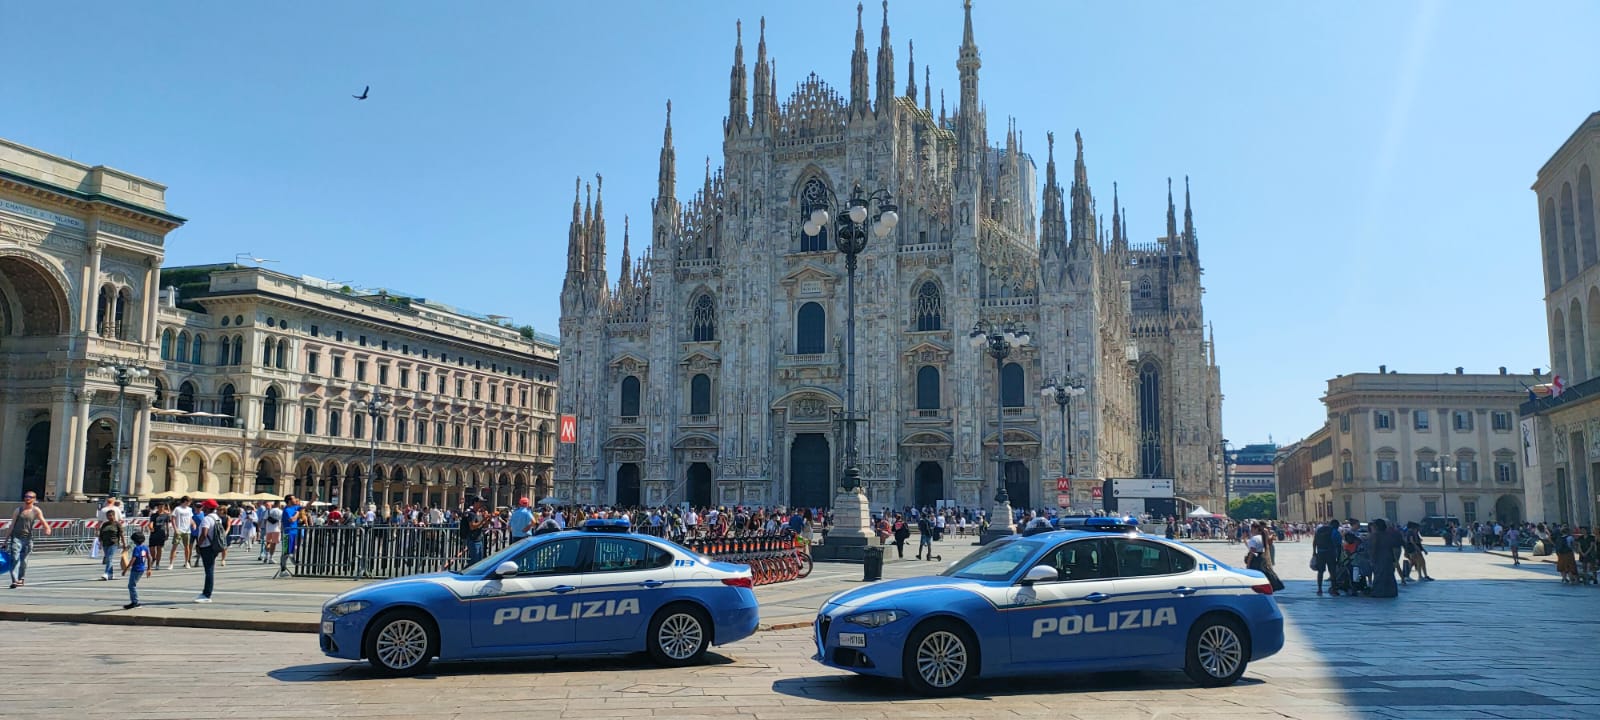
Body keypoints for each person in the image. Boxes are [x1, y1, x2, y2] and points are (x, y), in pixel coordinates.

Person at [7, 491, 50, 588]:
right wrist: (6, 540)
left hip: (27, 538)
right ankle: (14, 580)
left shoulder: (36, 510)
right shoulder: (18, 510)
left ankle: (21, 578)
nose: (27, 498)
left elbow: (43, 521)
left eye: (30, 497)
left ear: (34, 499)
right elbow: (12, 525)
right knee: (14, 558)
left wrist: (47, 528)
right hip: (16, 537)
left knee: (24, 560)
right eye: (26, 496)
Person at [194, 499, 224, 602]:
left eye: (204, 507)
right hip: (215, 546)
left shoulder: (207, 519)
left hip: (207, 546)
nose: (202, 508)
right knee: (210, 569)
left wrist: (198, 545)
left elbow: (204, 534)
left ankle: (206, 594)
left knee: (209, 571)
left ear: (207, 508)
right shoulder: (217, 518)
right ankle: (206, 593)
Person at [1312, 517, 1342, 595]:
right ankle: (1334, 590)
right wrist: (1338, 559)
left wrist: (1314, 552)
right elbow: (1339, 546)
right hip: (1330, 553)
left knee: (1320, 572)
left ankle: (1319, 589)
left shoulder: (1320, 529)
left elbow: (1314, 541)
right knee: (1332, 572)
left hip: (1320, 553)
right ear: (1337, 526)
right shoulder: (1335, 531)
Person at [124, 530, 151, 609]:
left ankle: (135, 602)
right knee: (132, 585)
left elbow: (133, 559)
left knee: (131, 586)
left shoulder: (137, 548)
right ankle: (134, 601)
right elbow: (149, 558)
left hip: (136, 569)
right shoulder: (145, 547)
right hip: (142, 569)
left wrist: (126, 569)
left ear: (136, 541)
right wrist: (149, 569)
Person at [98, 508, 125, 581]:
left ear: (114, 515)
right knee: (108, 559)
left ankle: (106, 573)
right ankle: (111, 574)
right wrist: (100, 542)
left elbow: (121, 534)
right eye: (108, 516)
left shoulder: (117, 524)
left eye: (110, 515)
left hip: (113, 543)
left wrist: (124, 544)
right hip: (105, 543)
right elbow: (101, 533)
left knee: (109, 558)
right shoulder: (105, 524)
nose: (109, 517)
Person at [170, 497, 195, 569]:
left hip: (187, 530)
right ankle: (171, 563)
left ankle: (187, 562)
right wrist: (175, 529)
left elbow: (190, 518)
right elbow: (173, 519)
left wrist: (193, 524)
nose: (190, 503)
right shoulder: (177, 509)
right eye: (189, 502)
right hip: (179, 530)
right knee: (174, 546)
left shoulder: (189, 509)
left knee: (187, 547)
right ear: (185, 501)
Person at [147, 502, 170, 571]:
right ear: (158, 507)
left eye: (162, 506)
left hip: (161, 534)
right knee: (151, 549)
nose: (161, 508)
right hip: (154, 534)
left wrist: (167, 533)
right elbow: (151, 523)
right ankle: (154, 558)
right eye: (160, 506)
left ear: (164, 507)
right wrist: (151, 527)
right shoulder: (154, 515)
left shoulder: (166, 515)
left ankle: (157, 563)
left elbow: (167, 525)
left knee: (159, 549)